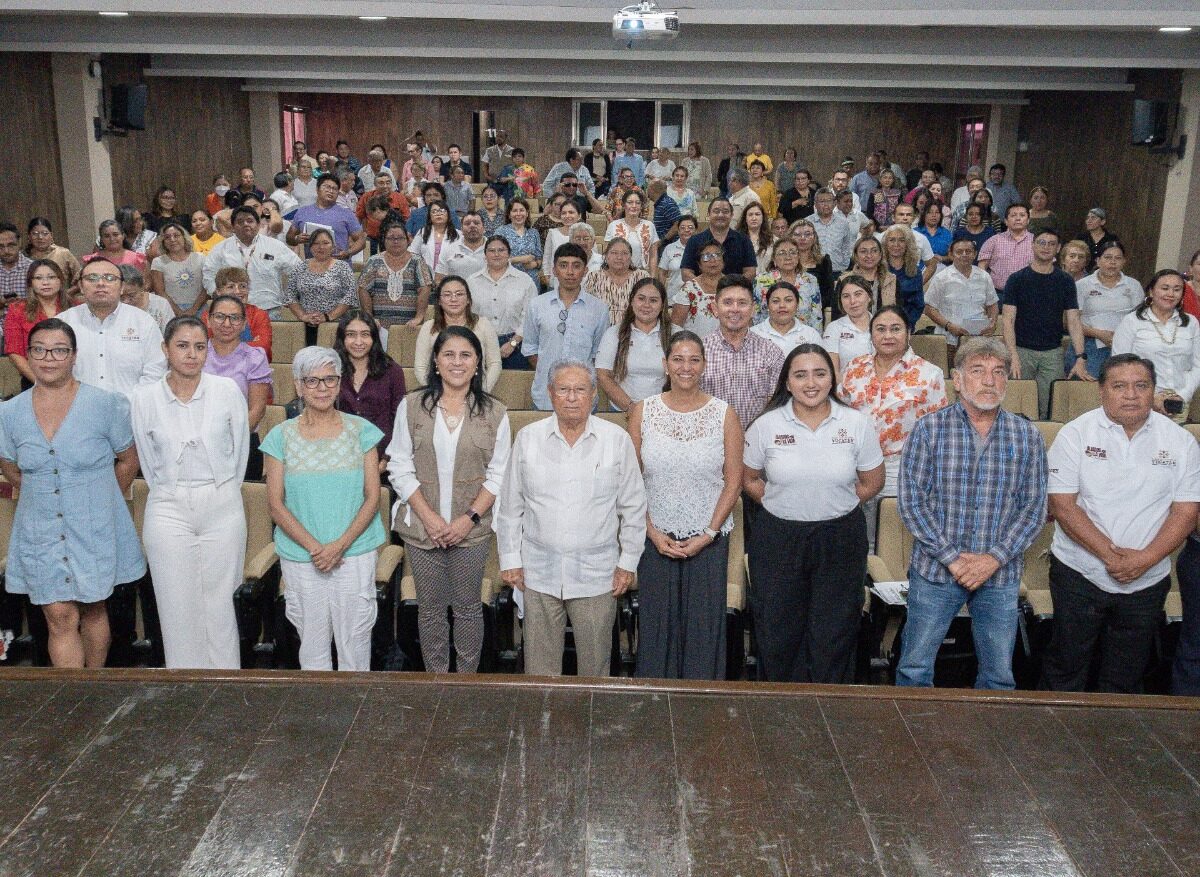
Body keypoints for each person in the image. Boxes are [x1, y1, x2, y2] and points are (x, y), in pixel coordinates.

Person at [1042, 353, 1200, 692]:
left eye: (1141, 386)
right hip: (1079, 575)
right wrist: (1111, 557)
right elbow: (1063, 506)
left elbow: (1186, 512)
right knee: (1066, 669)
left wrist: (1144, 560)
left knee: (1125, 678)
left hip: (1147, 579)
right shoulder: (1075, 435)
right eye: (1120, 386)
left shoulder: (1181, 442)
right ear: (1101, 392)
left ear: (1154, 390)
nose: (1131, 394)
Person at [896, 337, 1048, 689]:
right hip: (935, 570)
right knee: (915, 669)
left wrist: (991, 560)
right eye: (977, 371)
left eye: (998, 372)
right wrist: (954, 560)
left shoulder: (1027, 435)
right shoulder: (929, 429)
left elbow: (1034, 509)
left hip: (999, 574)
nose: (989, 380)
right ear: (958, 379)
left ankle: (990, 742)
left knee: (998, 676)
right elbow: (912, 503)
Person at [0, 318, 144, 667]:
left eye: (59, 350)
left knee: (93, 609)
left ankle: (93, 688)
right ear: (29, 356)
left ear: (74, 356)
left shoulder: (105, 404)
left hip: (93, 524)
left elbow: (128, 458)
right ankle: (72, 698)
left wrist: (101, 497)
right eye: (39, 350)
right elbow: (10, 466)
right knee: (59, 616)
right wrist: (48, 490)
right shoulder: (9, 412)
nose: (49, 358)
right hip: (41, 528)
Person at [743, 343, 884, 683]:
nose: (811, 383)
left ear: (831, 379)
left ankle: (831, 709)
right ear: (787, 382)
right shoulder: (766, 425)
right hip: (778, 538)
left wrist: (835, 502)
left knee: (834, 629)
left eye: (820, 374)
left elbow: (872, 481)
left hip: (840, 538)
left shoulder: (856, 422)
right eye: (800, 375)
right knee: (777, 629)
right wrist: (783, 502)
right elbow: (748, 479)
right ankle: (780, 710)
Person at [497, 360, 647, 677]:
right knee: (539, 669)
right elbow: (511, 505)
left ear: (594, 394)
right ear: (551, 394)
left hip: (598, 575)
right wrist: (510, 558)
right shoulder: (528, 438)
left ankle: (593, 725)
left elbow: (633, 507)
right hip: (538, 573)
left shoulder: (616, 439)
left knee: (595, 668)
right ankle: (542, 724)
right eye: (563, 389)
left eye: (580, 390)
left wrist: (628, 563)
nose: (572, 397)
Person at [387, 326, 510, 673]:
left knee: (469, 608)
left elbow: (499, 474)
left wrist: (465, 520)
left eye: (466, 355)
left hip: (471, 530)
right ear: (436, 363)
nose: (457, 362)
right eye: (449, 355)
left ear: (477, 363)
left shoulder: (496, 413)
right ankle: (437, 681)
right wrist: (430, 518)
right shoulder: (411, 405)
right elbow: (398, 464)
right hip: (421, 528)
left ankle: (466, 684)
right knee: (430, 609)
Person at [130, 315, 249, 669]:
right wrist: (172, 490)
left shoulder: (226, 390)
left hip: (221, 501)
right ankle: (183, 686)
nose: (191, 354)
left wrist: (222, 490)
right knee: (175, 601)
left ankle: (225, 684)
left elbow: (240, 449)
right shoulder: (144, 397)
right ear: (165, 349)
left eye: (200, 347)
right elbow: (148, 461)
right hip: (168, 503)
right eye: (182, 346)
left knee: (221, 601)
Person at [261, 346, 389, 671]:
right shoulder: (279, 437)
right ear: (298, 385)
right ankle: (318, 719)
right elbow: (276, 504)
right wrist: (317, 548)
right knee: (312, 645)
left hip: (355, 552)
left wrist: (338, 546)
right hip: (303, 557)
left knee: (355, 644)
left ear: (339, 382)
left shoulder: (362, 432)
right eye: (313, 381)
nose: (322, 388)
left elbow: (373, 497)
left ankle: (357, 717)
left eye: (329, 380)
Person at [629, 330, 742, 679]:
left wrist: (708, 533)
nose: (686, 367)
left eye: (694, 359)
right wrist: (652, 531)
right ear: (665, 365)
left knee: (703, 632)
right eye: (678, 359)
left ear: (704, 365)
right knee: (656, 630)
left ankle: (702, 715)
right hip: (654, 539)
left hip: (707, 541)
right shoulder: (642, 411)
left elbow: (734, 481)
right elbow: (630, 483)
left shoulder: (724, 414)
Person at [840, 306, 947, 542]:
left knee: (892, 541)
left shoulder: (929, 374)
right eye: (880, 329)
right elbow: (838, 414)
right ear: (871, 335)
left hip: (901, 469)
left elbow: (938, 433)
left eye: (895, 329)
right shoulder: (854, 369)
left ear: (909, 333)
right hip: (853, 467)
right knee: (856, 542)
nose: (888, 335)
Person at [1002, 228, 1092, 419]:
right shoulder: (1016, 279)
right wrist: (1013, 355)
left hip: (1052, 353)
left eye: (1052, 244)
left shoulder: (1065, 281)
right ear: (1033, 245)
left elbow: (1074, 321)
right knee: (1017, 405)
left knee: (1048, 407)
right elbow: (1008, 321)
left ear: (1058, 248)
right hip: (1021, 351)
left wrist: (1080, 356)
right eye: (1042, 242)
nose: (1046, 247)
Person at [61, 256, 167, 398]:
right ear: (80, 286)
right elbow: (52, 372)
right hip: (77, 411)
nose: (100, 283)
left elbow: (156, 369)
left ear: (122, 287)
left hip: (132, 411)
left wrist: (130, 403)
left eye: (109, 278)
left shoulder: (143, 322)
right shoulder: (63, 323)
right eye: (92, 278)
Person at [522, 244, 609, 410]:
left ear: (585, 271)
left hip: (584, 398)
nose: (570, 272)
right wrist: (551, 373)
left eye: (576, 266)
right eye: (563, 265)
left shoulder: (599, 309)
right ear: (554, 270)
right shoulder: (537, 305)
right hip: (545, 395)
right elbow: (530, 349)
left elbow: (598, 355)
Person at [1112, 269, 1200, 422]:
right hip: (1139, 400)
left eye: (1177, 289)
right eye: (1165, 288)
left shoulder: (1191, 323)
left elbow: (1198, 364)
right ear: (1151, 291)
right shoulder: (1132, 321)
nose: (1171, 294)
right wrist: (1151, 397)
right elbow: (1120, 365)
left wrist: (1183, 395)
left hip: (1179, 402)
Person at [700, 277, 786, 431]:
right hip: (709, 444)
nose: (735, 309)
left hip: (757, 444)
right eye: (727, 302)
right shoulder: (699, 352)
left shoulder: (771, 352)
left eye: (742, 303)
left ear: (753, 309)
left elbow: (778, 406)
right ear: (714, 308)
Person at [203, 294, 271, 477]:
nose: (227, 324)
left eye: (234, 318)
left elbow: (257, 411)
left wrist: (226, 440)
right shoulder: (196, 354)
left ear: (243, 324)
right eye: (220, 316)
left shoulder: (255, 357)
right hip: (199, 445)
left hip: (243, 443)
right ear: (208, 320)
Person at [333, 310, 407, 469]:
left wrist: (387, 458)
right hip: (339, 458)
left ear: (374, 338)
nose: (358, 341)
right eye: (351, 335)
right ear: (342, 338)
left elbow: (400, 420)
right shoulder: (331, 371)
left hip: (383, 458)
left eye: (365, 334)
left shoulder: (392, 371)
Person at [202, 205, 303, 318]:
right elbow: (208, 274)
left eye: (250, 221)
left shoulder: (275, 246)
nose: (245, 224)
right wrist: (216, 294)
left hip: (269, 310)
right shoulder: (220, 249)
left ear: (258, 224)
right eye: (240, 221)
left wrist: (290, 297)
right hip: (231, 310)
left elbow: (298, 270)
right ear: (233, 226)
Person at [596, 277, 675, 412]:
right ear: (632, 301)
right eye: (641, 298)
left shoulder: (676, 334)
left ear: (662, 305)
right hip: (622, 411)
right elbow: (603, 375)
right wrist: (631, 408)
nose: (646, 305)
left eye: (653, 300)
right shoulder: (614, 333)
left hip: (666, 411)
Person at [1068, 240, 1142, 379]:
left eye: (1118, 258)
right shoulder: (1082, 285)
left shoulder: (1133, 285)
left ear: (1124, 261)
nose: (1112, 262)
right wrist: (1099, 334)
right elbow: (1070, 322)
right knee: (1090, 389)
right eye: (1108, 257)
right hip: (1089, 345)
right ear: (1098, 260)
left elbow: (1140, 319)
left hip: (1124, 345)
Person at [414, 275, 501, 391]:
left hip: (476, 391)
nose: (453, 299)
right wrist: (435, 392)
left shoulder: (483, 325)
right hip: (437, 392)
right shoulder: (428, 327)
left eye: (459, 294)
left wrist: (482, 391)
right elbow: (420, 367)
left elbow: (495, 363)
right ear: (439, 301)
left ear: (468, 299)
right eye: (447, 295)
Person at [468, 235, 537, 371]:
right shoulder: (472, 281)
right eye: (491, 250)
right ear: (485, 255)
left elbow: (530, 317)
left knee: (512, 388)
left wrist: (513, 343)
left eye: (501, 250)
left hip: (516, 345)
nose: (496, 254)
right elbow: (468, 315)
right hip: (480, 343)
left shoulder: (524, 280)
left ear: (509, 254)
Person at [5, 259, 72, 388]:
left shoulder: (77, 307)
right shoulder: (17, 310)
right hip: (34, 380)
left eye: (51, 277)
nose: (45, 282)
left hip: (73, 378)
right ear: (31, 283)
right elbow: (14, 352)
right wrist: (40, 382)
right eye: (38, 278)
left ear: (61, 281)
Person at [922, 238, 998, 350]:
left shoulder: (984, 276)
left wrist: (992, 323)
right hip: (949, 340)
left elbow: (992, 304)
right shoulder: (941, 278)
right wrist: (949, 326)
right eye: (959, 252)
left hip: (979, 340)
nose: (964, 255)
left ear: (975, 254)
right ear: (951, 255)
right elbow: (929, 308)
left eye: (968, 251)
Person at [357, 219, 433, 329]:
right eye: (391, 238)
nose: (396, 241)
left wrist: (419, 317)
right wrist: (369, 318)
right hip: (378, 326)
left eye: (400, 238)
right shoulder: (374, 261)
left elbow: (425, 289)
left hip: (410, 326)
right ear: (384, 241)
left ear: (408, 240)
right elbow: (363, 289)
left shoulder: (417, 261)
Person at [286, 228, 357, 344]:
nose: (321, 247)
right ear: (310, 246)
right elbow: (290, 296)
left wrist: (328, 316)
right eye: (316, 243)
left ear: (333, 246)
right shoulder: (300, 267)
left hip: (335, 326)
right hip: (305, 326)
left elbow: (350, 297)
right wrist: (303, 316)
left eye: (325, 243)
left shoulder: (342, 267)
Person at [287, 174, 365, 261]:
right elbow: (289, 237)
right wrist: (297, 239)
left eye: (334, 189)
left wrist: (348, 253)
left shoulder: (346, 213)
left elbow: (361, 240)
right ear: (317, 189)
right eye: (326, 187)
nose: (330, 191)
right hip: (313, 267)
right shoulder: (303, 212)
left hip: (339, 267)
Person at [679, 198, 757, 281]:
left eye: (725, 211)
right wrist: (706, 287)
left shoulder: (744, 240)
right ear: (708, 214)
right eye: (716, 211)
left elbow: (751, 272)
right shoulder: (694, 241)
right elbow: (686, 273)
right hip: (702, 292)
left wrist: (731, 287)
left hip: (735, 291)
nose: (720, 215)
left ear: (732, 215)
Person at [583, 238, 649, 326]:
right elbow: (585, 307)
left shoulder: (642, 277)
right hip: (601, 330)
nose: (619, 257)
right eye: (614, 253)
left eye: (624, 253)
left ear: (631, 257)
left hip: (635, 330)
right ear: (606, 256)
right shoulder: (594, 277)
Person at [750, 281, 823, 354]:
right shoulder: (752, 334)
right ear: (768, 306)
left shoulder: (811, 335)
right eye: (775, 301)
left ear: (797, 305)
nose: (782, 305)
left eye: (788, 300)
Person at [148, 222, 204, 317]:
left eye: (176, 235)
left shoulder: (200, 258)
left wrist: (193, 309)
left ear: (184, 237)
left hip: (199, 308)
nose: (172, 240)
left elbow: (206, 287)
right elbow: (160, 292)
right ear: (163, 241)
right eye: (167, 237)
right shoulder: (158, 262)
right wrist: (179, 312)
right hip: (170, 310)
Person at [822, 275, 875, 375]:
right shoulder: (834, 328)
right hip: (845, 388)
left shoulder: (882, 326)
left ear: (869, 297)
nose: (852, 301)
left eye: (858, 294)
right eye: (846, 296)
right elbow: (833, 373)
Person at [670, 240, 724, 337]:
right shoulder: (689, 289)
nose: (713, 260)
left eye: (717, 255)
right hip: (696, 348)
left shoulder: (733, 286)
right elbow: (676, 326)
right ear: (699, 264)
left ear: (723, 261)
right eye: (706, 256)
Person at [979, 203, 1034, 297]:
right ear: (1006, 221)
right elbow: (982, 267)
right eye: (1013, 215)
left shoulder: (1037, 241)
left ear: (1028, 220)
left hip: (1029, 294)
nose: (1018, 218)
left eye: (1022, 215)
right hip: (998, 294)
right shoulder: (994, 240)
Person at [604, 189, 660, 272]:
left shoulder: (649, 225)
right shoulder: (613, 225)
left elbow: (653, 255)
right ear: (624, 205)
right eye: (630, 202)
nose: (634, 206)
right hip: (618, 273)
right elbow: (607, 254)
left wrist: (652, 277)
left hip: (642, 273)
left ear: (641, 206)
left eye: (638, 203)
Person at [841, 235, 896, 314]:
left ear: (880, 254)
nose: (869, 255)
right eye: (863, 251)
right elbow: (838, 316)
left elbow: (898, 315)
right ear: (855, 256)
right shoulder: (844, 280)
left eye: (874, 251)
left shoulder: (891, 280)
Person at [23, 218, 81, 290]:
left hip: (61, 299)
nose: (40, 237)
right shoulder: (23, 257)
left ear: (51, 235)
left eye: (45, 233)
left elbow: (80, 277)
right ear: (29, 236)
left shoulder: (63, 253)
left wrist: (68, 294)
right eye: (35, 233)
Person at [496, 198, 543, 286]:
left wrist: (536, 264)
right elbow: (495, 259)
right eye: (514, 211)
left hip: (531, 281)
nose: (518, 214)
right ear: (509, 215)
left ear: (527, 213)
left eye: (522, 210)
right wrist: (519, 259)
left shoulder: (534, 232)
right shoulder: (501, 231)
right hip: (508, 280)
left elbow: (540, 258)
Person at [408, 202, 459, 277]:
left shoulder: (458, 235)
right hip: (426, 277)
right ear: (430, 216)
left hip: (450, 278)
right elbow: (412, 253)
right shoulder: (422, 232)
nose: (438, 214)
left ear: (448, 215)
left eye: (441, 211)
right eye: (434, 211)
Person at [119, 265, 174, 333]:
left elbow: (171, 333)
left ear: (142, 287)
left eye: (131, 295)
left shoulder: (160, 304)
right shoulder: (111, 306)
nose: (125, 301)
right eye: (120, 296)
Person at [811, 188, 856, 273]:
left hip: (838, 270)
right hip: (814, 270)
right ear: (815, 204)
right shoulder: (808, 223)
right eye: (822, 201)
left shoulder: (843, 223)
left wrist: (844, 265)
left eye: (829, 201)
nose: (826, 205)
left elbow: (846, 247)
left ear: (834, 203)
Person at [657, 214, 696, 304]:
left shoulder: (702, 248)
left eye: (690, 227)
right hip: (673, 299)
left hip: (696, 299)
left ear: (696, 230)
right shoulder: (670, 248)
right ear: (678, 231)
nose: (686, 230)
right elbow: (662, 273)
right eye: (682, 228)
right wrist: (661, 295)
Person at [739, 202, 774, 275]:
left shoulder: (773, 240)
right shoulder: (737, 239)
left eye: (757, 214)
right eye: (750, 215)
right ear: (745, 218)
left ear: (763, 217)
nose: (754, 218)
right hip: (743, 282)